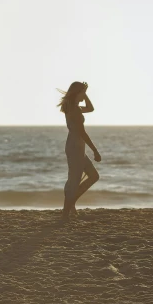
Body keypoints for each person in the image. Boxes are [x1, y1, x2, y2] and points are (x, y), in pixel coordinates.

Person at [58, 81, 101, 219]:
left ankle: (71, 205)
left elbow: (91, 108)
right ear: (77, 93)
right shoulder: (74, 109)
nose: (85, 95)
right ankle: (65, 213)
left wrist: (85, 94)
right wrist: (95, 150)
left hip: (76, 146)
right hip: (75, 146)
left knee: (93, 176)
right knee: (74, 181)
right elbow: (82, 132)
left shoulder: (73, 106)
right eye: (83, 92)